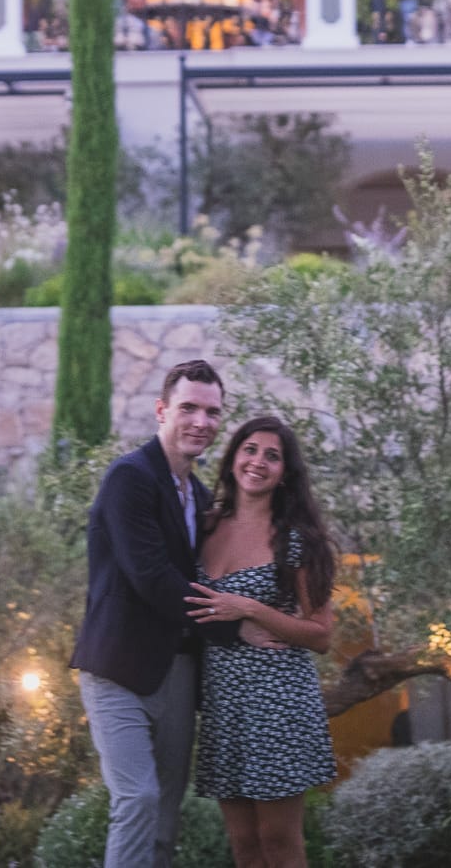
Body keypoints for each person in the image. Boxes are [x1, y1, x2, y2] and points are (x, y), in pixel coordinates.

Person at [72, 360, 230, 868]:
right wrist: (237, 620)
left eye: (212, 412)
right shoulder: (130, 478)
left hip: (179, 673)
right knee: (137, 798)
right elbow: (151, 577)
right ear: (162, 411)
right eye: (189, 408)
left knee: (165, 815)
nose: (201, 422)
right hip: (118, 670)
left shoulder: (201, 496)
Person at [186, 417, 339, 868]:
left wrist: (251, 608)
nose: (258, 462)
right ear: (234, 456)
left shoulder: (296, 540)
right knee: (243, 844)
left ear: (285, 473)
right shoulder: (205, 527)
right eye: (250, 449)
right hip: (224, 705)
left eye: (272, 456)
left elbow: (322, 635)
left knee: (279, 841)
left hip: (278, 704)